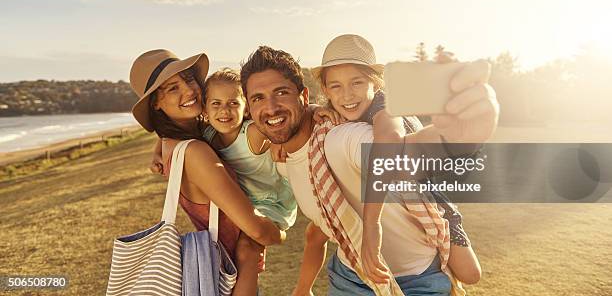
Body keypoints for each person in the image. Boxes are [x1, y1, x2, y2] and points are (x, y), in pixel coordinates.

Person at [239, 45, 499, 296]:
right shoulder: (284, 162)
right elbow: (321, 225)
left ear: (304, 97)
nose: (271, 107)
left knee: (469, 271)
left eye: (281, 92)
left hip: (415, 282)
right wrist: (303, 287)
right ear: (249, 108)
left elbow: (404, 152)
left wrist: (457, 139)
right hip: (348, 277)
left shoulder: (341, 139)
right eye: (258, 98)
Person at [306, 34, 481, 288]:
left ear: (375, 84)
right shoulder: (337, 112)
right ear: (325, 90)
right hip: (403, 189)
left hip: (431, 196)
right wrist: (313, 110)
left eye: (357, 82)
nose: (347, 94)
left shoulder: (385, 106)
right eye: (336, 86)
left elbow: (390, 138)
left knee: (469, 273)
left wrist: (371, 223)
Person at [129, 49, 285, 296]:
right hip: (233, 278)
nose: (189, 91)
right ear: (155, 103)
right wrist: (281, 234)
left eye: (188, 79)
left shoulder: (178, 143)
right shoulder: (195, 152)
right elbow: (257, 230)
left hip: (222, 272)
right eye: (172, 88)